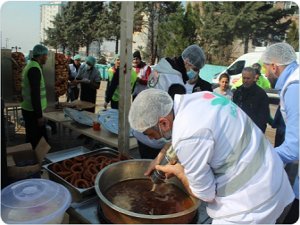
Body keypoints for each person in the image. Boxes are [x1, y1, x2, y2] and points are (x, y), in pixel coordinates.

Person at [128, 88, 294, 224]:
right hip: (275, 178)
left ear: (163, 123)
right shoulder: (199, 99)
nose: (150, 139)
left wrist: (179, 172)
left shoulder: (188, 136)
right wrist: (161, 155)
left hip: (252, 205)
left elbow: (205, 194)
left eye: (150, 134)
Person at [261, 42, 299, 224]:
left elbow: (294, 147)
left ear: (274, 67)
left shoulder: (294, 88)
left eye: (265, 68)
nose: (265, 74)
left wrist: (263, 157)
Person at [21, 44, 49, 149]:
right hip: (32, 111)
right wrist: (39, 116)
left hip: (29, 109)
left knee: (33, 138)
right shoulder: (34, 69)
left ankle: (33, 160)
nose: (47, 57)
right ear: (41, 55)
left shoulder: (30, 65)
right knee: (37, 141)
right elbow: (35, 94)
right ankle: (37, 162)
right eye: (46, 55)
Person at [233, 67, 270, 133]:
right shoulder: (238, 92)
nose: (245, 80)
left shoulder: (261, 94)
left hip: (253, 130)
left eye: (248, 78)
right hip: (238, 129)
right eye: (244, 78)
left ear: (253, 78)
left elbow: (264, 117)